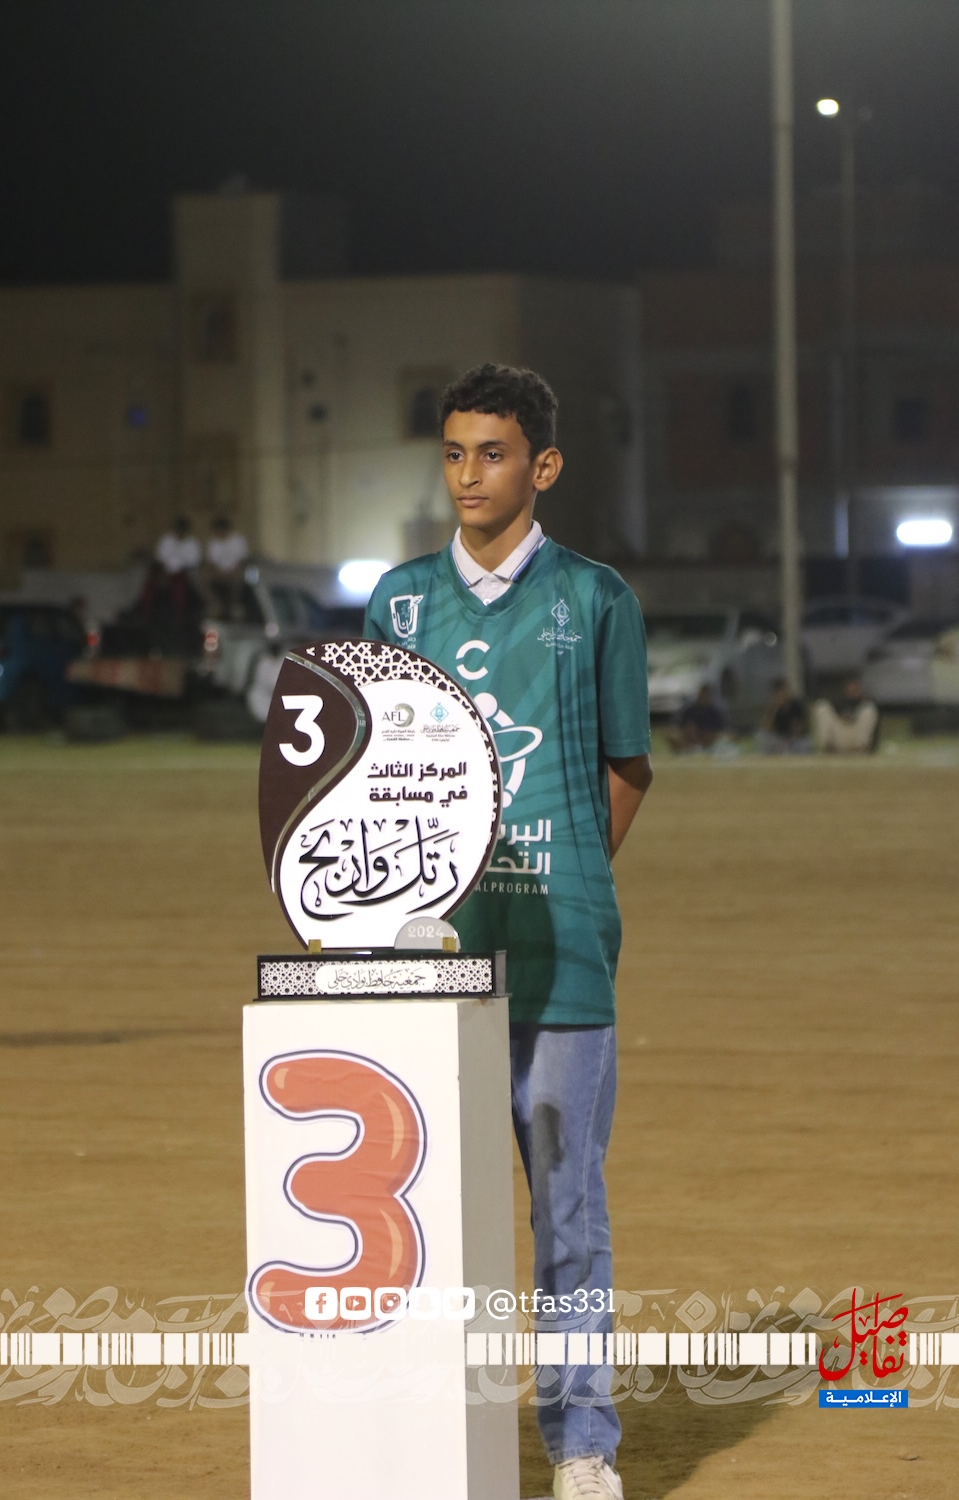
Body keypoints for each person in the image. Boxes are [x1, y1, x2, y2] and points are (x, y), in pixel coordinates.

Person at [364, 363, 652, 1500]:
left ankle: (581, 1444)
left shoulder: (597, 599)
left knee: (566, 1208)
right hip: (431, 964)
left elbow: (627, 766)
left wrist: (565, 877)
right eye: (453, 453)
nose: (468, 476)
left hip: (564, 960)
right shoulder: (396, 604)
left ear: (544, 466)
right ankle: (431, 1434)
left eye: (491, 454)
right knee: (432, 1210)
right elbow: (372, 772)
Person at [812, 676, 880, 753]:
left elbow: (873, 727)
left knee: (869, 709)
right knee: (822, 707)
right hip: (838, 734)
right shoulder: (836, 698)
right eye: (850, 686)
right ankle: (827, 750)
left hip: (855, 735)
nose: (852, 689)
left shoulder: (865, 700)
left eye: (855, 687)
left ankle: (860, 750)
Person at [205, 515, 249, 619]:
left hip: (234, 572)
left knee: (239, 578)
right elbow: (210, 562)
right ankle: (215, 605)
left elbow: (242, 561)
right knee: (200, 577)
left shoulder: (238, 540)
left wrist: (230, 573)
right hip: (218, 573)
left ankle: (234, 606)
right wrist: (216, 573)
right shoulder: (213, 542)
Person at [756, 677, 812, 754]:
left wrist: (789, 740)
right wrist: (775, 710)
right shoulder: (773, 707)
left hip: (794, 739)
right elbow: (767, 728)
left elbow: (799, 729)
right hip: (778, 738)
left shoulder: (795, 705)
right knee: (761, 735)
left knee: (804, 743)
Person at [666, 683, 728, 753]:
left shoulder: (715, 712)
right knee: (673, 736)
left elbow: (721, 731)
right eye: (702, 694)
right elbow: (678, 727)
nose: (703, 697)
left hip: (708, 741)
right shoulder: (689, 710)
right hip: (689, 740)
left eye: (706, 695)